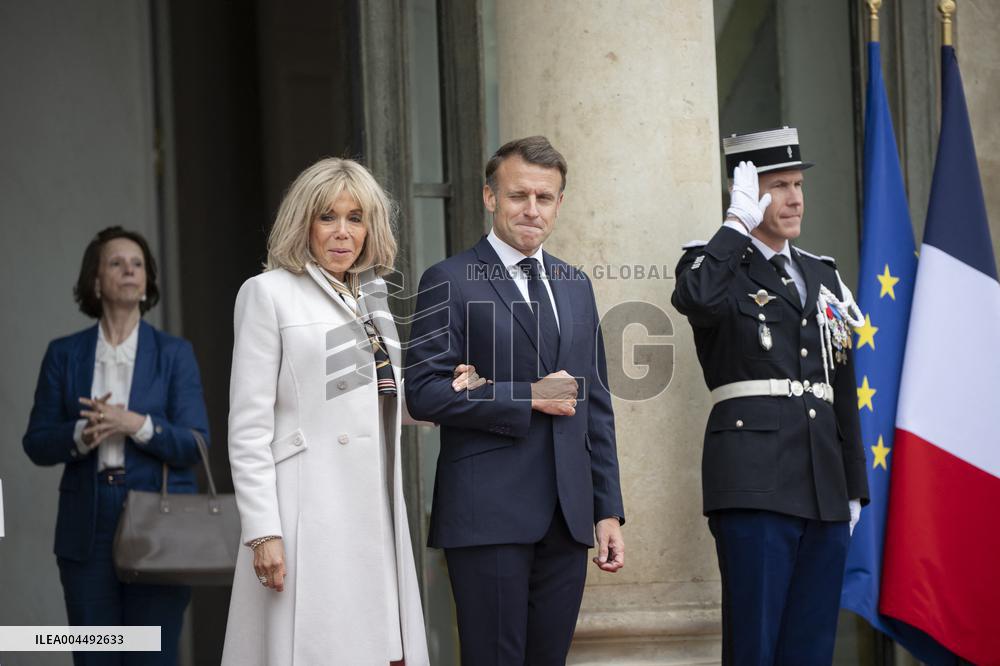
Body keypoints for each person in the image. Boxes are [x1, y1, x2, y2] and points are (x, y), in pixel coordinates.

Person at [221, 157, 484, 665]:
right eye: (328, 217)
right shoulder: (267, 294)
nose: (343, 232)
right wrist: (263, 530)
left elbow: (371, 397)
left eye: (356, 217)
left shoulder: (374, 296)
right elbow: (248, 424)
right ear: (304, 223)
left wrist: (441, 393)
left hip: (372, 503)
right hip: (305, 511)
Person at [405, 135, 626, 664]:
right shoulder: (449, 280)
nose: (531, 209)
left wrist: (608, 510)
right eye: (517, 195)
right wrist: (527, 397)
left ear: (559, 203)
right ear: (489, 198)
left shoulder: (575, 285)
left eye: (544, 198)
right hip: (488, 513)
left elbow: (595, 405)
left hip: (568, 517)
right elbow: (425, 391)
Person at [672, 127, 870, 665]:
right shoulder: (712, 265)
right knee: (755, 645)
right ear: (746, 193)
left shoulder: (822, 274)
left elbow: (841, 388)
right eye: (778, 185)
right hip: (754, 481)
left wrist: (854, 485)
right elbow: (695, 299)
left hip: (823, 483)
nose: (794, 197)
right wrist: (734, 226)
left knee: (810, 647)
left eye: (798, 184)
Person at [23, 226, 210, 666]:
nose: (129, 271)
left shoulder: (174, 354)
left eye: (138, 264)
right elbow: (35, 442)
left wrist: (136, 424)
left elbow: (196, 443)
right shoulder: (64, 354)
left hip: (157, 522)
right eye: (116, 263)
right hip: (87, 523)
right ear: (95, 281)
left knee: (152, 657)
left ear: (147, 282)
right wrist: (80, 435)